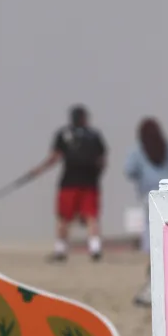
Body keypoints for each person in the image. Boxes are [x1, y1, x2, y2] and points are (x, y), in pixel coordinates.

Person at [31, 105, 107, 261]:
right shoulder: (93, 136)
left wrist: (39, 170)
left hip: (71, 182)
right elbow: (102, 160)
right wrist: (97, 175)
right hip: (88, 182)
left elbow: (55, 157)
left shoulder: (65, 134)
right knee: (89, 216)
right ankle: (94, 248)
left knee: (65, 217)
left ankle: (61, 250)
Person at [125, 118, 168, 306]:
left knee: (154, 247)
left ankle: (152, 289)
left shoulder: (138, 151)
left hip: (150, 200)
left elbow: (128, 170)